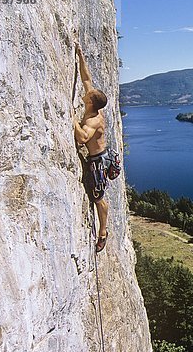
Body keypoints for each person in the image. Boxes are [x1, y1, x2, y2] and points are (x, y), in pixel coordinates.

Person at [73, 41, 110, 253]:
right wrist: (80, 54)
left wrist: (72, 120)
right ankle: (103, 230)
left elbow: (82, 138)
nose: (87, 91)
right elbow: (86, 78)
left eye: (88, 94)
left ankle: (103, 232)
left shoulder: (93, 120)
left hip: (98, 161)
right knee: (98, 197)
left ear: (90, 102)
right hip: (100, 156)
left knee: (99, 199)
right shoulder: (94, 104)